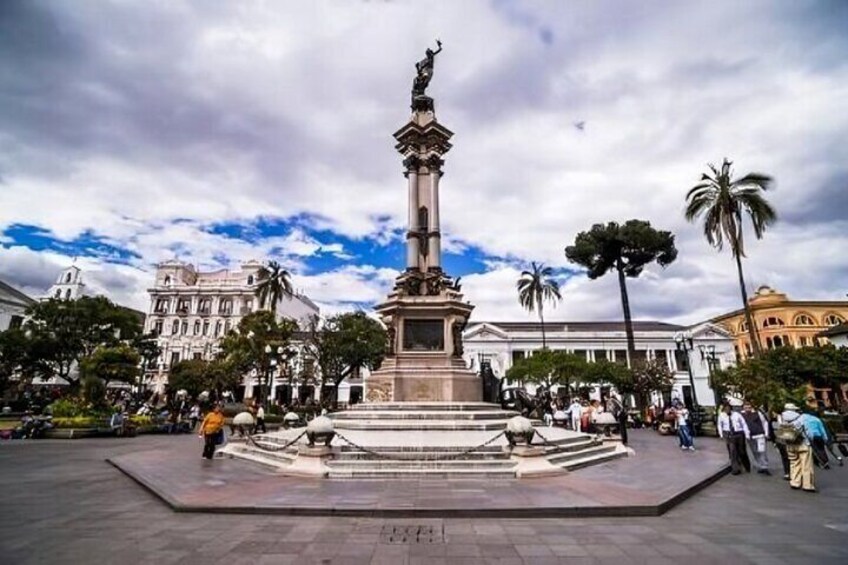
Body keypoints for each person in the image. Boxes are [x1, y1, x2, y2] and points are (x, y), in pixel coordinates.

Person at [781, 403, 815, 492]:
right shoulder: (801, 417)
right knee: (806, 465)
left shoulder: (782, 417)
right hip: (802, 443)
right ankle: (807, 485)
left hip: (790, 443)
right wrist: (810, 441)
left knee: (793, 463)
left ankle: (795, 482)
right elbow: (808, 432)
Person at [718, 404, 750, 475]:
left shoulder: (737, 415)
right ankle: (735, 469)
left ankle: (746, 465)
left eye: (728, 409)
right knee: (733, 451)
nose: (727, 411)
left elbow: (744, 424)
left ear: (731, 409)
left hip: (739, 433)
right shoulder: (721, 415)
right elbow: (720, 425)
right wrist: (721, 434)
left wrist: (747, 433)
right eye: (726, 409)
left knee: (742, 451)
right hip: (729, 435)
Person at [741, 402, 771, 474]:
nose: (747, 408)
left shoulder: (758, 413)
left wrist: (766, 433)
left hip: (760, 434)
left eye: (749, 407)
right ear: (743, 408)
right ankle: (760, 465)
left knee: (762, 450)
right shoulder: (741, 415)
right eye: (746, 407)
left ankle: (765, 466)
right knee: (755, 451)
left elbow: (765, 423)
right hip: (750, 436)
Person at [771, 410, 791, 480]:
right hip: (780, 441)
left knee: (789, 457)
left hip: (788, 440)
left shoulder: (786, 418)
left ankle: (790, 472)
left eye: (774, 412)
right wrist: (774, 443)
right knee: (785, 457)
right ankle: (787, 473)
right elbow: (772, 433)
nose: (773, 413)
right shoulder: (773, 420)